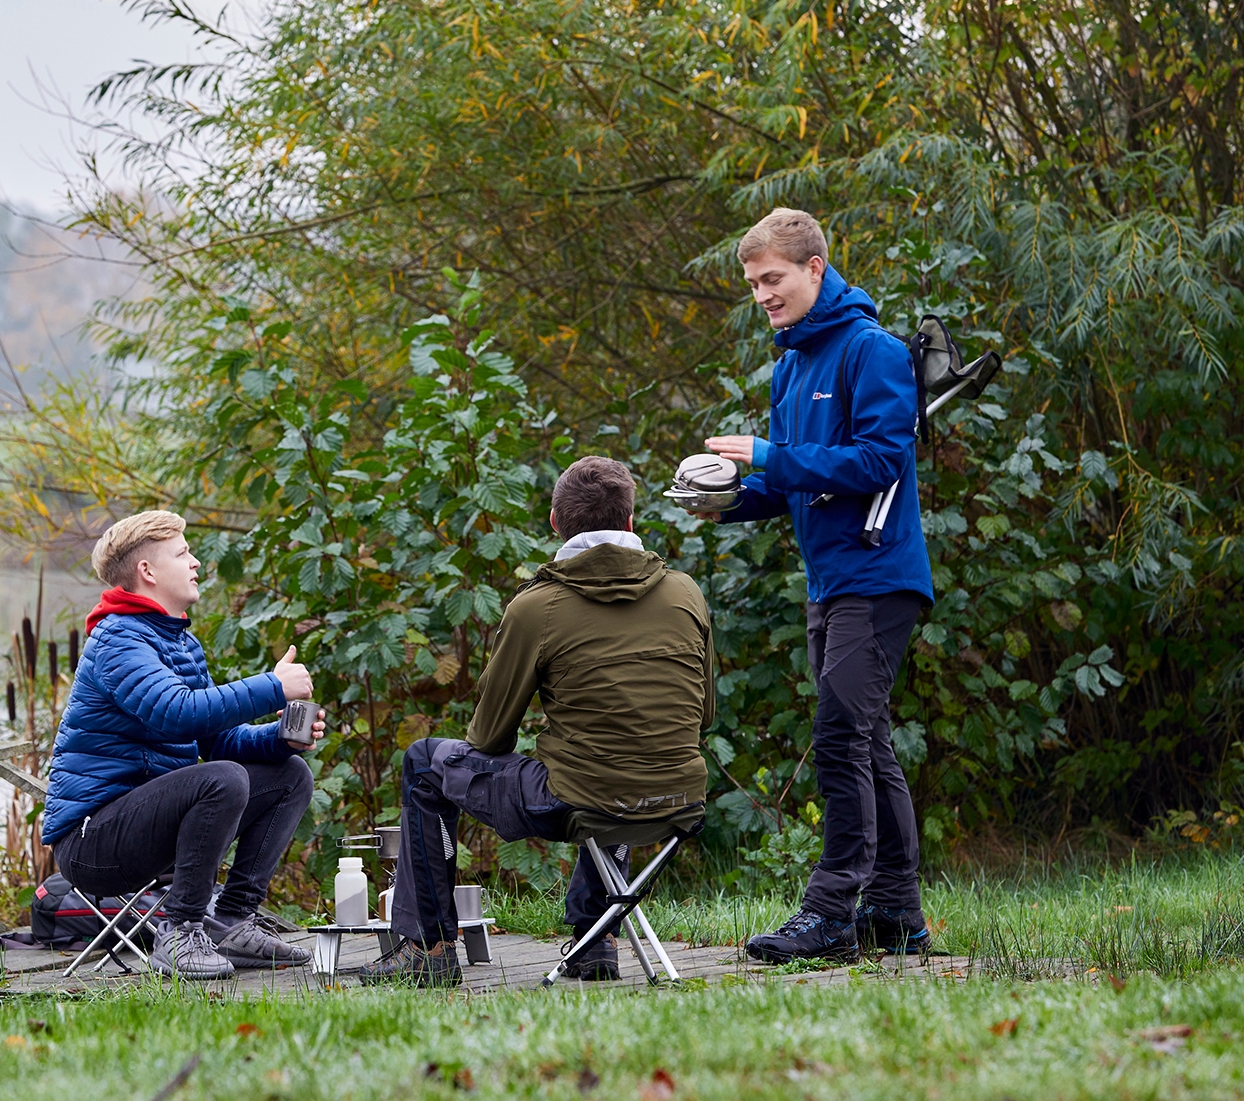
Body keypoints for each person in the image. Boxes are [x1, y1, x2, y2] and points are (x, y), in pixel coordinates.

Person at [357, 456, 715, 987]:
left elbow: (488, 737)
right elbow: (704, 714)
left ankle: (429, 949)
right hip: (679, 799)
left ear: (555, 522)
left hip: (581, 799)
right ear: (632, 522)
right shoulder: (686, 593)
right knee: (618, 757)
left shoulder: (538, 606)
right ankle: (598, 940)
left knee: (425, 763)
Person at [698, 207, 935, 964]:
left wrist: (768, 453)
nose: (762, 294)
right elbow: (793, 481)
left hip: (880, 574)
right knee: (866, 742)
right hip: (827, 580)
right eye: (754, 283)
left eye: (772, 278)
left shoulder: (872, 350)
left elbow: (877, 464)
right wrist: (727, 498)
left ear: (814, 269)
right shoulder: (792, 361)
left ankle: (831, 910)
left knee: (838, 737)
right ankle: (897, 912)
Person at [42, 510, 323, 980]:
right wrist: (272, 687)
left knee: (290, 777)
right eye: (183, 553)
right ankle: (182, 930)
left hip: (149, 824)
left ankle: (232, 920)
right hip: (92, 841)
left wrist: (279, 739)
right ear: (147, 572)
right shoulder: (117, 639)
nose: (195, 562)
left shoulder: (180, 643)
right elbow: (175, 712)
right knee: (223, 780)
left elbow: (217, 742)